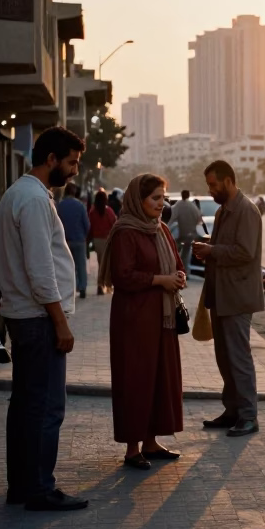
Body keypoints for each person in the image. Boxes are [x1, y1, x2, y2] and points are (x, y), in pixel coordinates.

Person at [0, 125, 88, 512]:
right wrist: (60, 322)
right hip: (38, 319)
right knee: (46, 407)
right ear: (51, 160)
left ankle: (23, 484)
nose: (74, 171)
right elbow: (40, 269)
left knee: (27, 405)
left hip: (28, 318)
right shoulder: (33, 200)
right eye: (71, 162)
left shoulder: (22, 194)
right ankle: (38, 488)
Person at [99, 174, 186, 469]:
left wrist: (179, 276)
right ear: (139, 200)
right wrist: (161, 279)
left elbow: (176, 261)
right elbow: (122, 276)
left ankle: (151, 442)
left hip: (161, 320)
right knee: (135, 380)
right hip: (134, 320)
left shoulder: (160, 229)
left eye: (164, 198)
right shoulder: (126, 231)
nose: (162, 204)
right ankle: (132, 448)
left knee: (159, 379)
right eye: (155, 199)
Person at [192, 160, 263, 437]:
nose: (210, 190)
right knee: (224, 357)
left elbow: (244, 251)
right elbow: (225, 246)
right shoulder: (224, 211)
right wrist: (208, 247)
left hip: (238, 296)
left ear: (229, 181)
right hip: (221, 295)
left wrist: (212, 251)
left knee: (238, 358)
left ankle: (248, 416)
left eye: (213, 184)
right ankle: (232, 410)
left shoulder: (246, 210)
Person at [56, 182, 90, 299]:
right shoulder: (80, 206)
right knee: (81, 265)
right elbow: (87, 224)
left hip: (65, 240)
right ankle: (82, 288)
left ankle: (70, 288)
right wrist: (84, 235)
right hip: (79, 239)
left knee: (67, 266)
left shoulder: (60, 205)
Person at [88, 190, 118, 295]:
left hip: (97, 241)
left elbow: (90, 227)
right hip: (107, 240)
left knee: (101, 264)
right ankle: (108, 286)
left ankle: (100, 285)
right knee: (108, 265)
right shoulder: (108, 211)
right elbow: (114, 224)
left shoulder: (92, 212)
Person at [170, 188, 203, 278]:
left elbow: (172, 217)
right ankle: (185, 272)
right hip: (191, 234)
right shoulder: (192, 206)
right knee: (186, 254)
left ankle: (176, 271)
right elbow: (199, 218)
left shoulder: (178, 205)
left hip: (181, 234)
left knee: (175, 253)